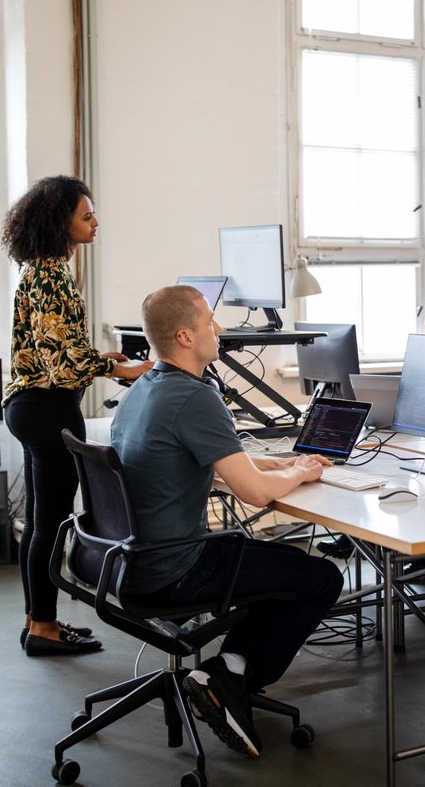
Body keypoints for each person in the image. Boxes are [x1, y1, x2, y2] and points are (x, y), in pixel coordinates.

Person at [110, 284, 344, 757]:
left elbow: (200, 460)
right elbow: (254, 494)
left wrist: (278, 462)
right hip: (175, 570)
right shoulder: (195, 398)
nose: (219, 329)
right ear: (184, 337)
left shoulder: (146, 388)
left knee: (277, 570)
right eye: (208, 322)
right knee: (319, 576)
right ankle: (228, 682)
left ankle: (227, 671)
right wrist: (301, 470)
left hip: (125, 560)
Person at [2, 175, 154, 657]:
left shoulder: (39, 270)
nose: (95, 222)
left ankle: (36, 621)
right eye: (86, 216)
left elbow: (59, 350)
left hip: (29, 404)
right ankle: (44, 628)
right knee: (48, 522)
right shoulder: (50, 275)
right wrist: (120, 366)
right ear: (59, 222)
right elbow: (63, 365)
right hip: (46, 407)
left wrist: (105, 360)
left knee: (39, 521)